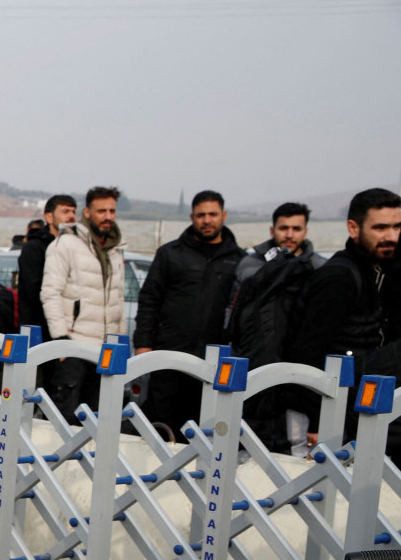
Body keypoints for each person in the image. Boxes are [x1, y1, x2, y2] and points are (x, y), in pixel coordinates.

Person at [288, 187, 400, 447]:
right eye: (381, 228)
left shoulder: (377, 269)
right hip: (341, 405)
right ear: (353, 228)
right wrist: (318, 421)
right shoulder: (338, 277)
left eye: (397, 227)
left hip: (366, 398)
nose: (392, 236)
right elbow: (306, 353)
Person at [134, 190, 244, 439]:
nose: (207, 220)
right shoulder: (170, 254)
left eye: (213, 214)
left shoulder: (239, 261)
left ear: (223, 216)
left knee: (202, 433)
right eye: (201, 215)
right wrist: (143, 344)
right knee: (160, 428)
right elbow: (150, 299)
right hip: (169, 356)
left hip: (213, 362)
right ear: (192, 217)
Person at [227, 202, 326, 454]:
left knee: (293, 448)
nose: (289, 234)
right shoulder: (250, 265)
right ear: (273, 229)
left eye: (296, 228)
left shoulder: (319, 268)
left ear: (305, 230)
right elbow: (232, 313)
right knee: (246, 445)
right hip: (252, 364)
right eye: (284, 228)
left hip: (299, 370)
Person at [40, 186, 127, 424]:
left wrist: (121, 339)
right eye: (101, 211)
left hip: (107, 350)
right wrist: (61, 341)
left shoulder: (115, 250)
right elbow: (50, 292)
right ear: (87, 212)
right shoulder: (65, 245)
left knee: (99, 422)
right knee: (65, 421)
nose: (107, 216)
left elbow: (118, 298)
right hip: (75, 347)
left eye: (111, 211)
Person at [18, 194, 78, 343]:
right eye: (65, 212)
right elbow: (34, 291)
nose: (71, 216)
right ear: (49, 217)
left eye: (73, 212)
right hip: (39, 330)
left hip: (71, 328)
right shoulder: (33, 248)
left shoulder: (78, 247)